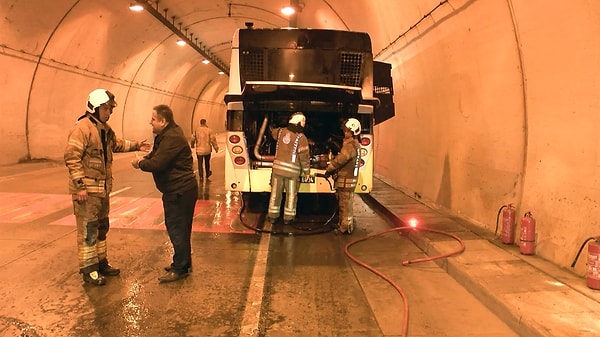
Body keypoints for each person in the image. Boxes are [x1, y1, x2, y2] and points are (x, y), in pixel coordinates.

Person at [64, 88, 150, 286]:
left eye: (110, 108)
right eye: (105, 108)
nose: (108, 112)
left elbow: (116, 145)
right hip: (88, 191)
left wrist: (137, 145)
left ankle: (101, 263)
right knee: (88, 230)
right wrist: (80, 187)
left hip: (102, 190)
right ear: (94, 108)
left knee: (102, 227)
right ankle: (89, 269)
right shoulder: (82, 128)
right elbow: (71, 157)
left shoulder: (103, 128)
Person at [132, 104, 198, 283]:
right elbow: (155, 154)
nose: (150, 122)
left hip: (180, 191)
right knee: (181, 229)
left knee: (177, 229)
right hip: (177, 190)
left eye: (153, 119)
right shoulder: (166, 135)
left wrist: (140, 164)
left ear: (163, 121)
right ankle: (183, 261)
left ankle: (180, 269)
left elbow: (158, 163)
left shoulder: (172, 138)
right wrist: (146, 157)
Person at [267, 112, 311, 225]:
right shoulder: (302, 138)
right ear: (300, 123)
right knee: (291, 195)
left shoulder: (280, 131)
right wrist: (307, 172)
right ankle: (288, 218)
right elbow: (304, 157)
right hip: (292, 173)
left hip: (277, 171)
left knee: (275, 194)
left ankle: (273, 216)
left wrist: (270, 125)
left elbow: (272, 133)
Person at [324, 118, 362, 234]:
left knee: (344, 205)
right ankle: (346, 225)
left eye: (347, 131)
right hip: (349, 180)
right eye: (345, 130)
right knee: (346, 204)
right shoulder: (355, 145)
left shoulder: (350, 146)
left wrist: (329, 169)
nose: (344, 133)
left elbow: (339, 161)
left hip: (346, 181)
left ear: (353, 132)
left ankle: (344, 228)